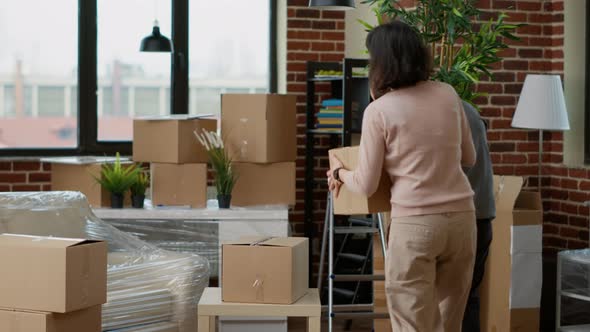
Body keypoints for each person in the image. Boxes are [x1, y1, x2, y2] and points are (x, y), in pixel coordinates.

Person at [327, 21, 477, 332]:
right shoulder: (447, 94)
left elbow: (366, 183)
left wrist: (340, 172)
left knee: (413, 324)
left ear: (381, 61)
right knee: (449, 323)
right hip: (462, 220)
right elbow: (469, 158)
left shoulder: (379, 110)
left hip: (416, 225)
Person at [461, 101, 496, 332]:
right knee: (469, 297)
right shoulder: (466, 108)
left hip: (464, 217)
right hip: (482, 214)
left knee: (454, 300)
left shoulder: (445, 111)